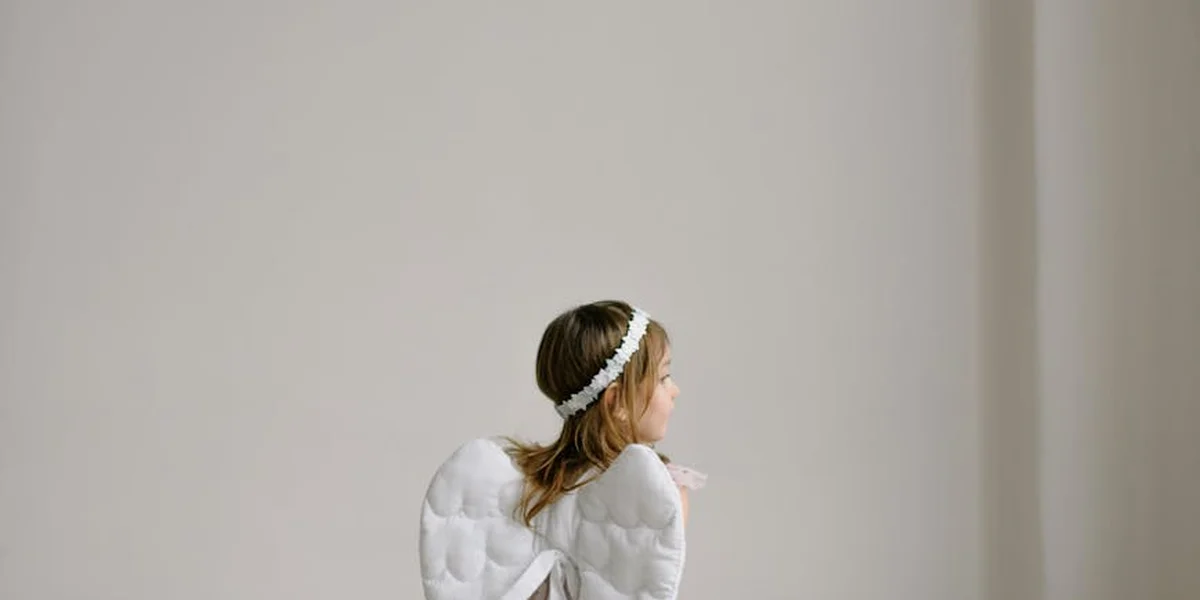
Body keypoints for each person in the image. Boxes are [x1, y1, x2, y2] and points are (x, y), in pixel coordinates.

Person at [504, 300, 706, 599]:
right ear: (617, 402)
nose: (675, 389)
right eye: (663, 378)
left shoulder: (521, 486)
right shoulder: (661, 492)